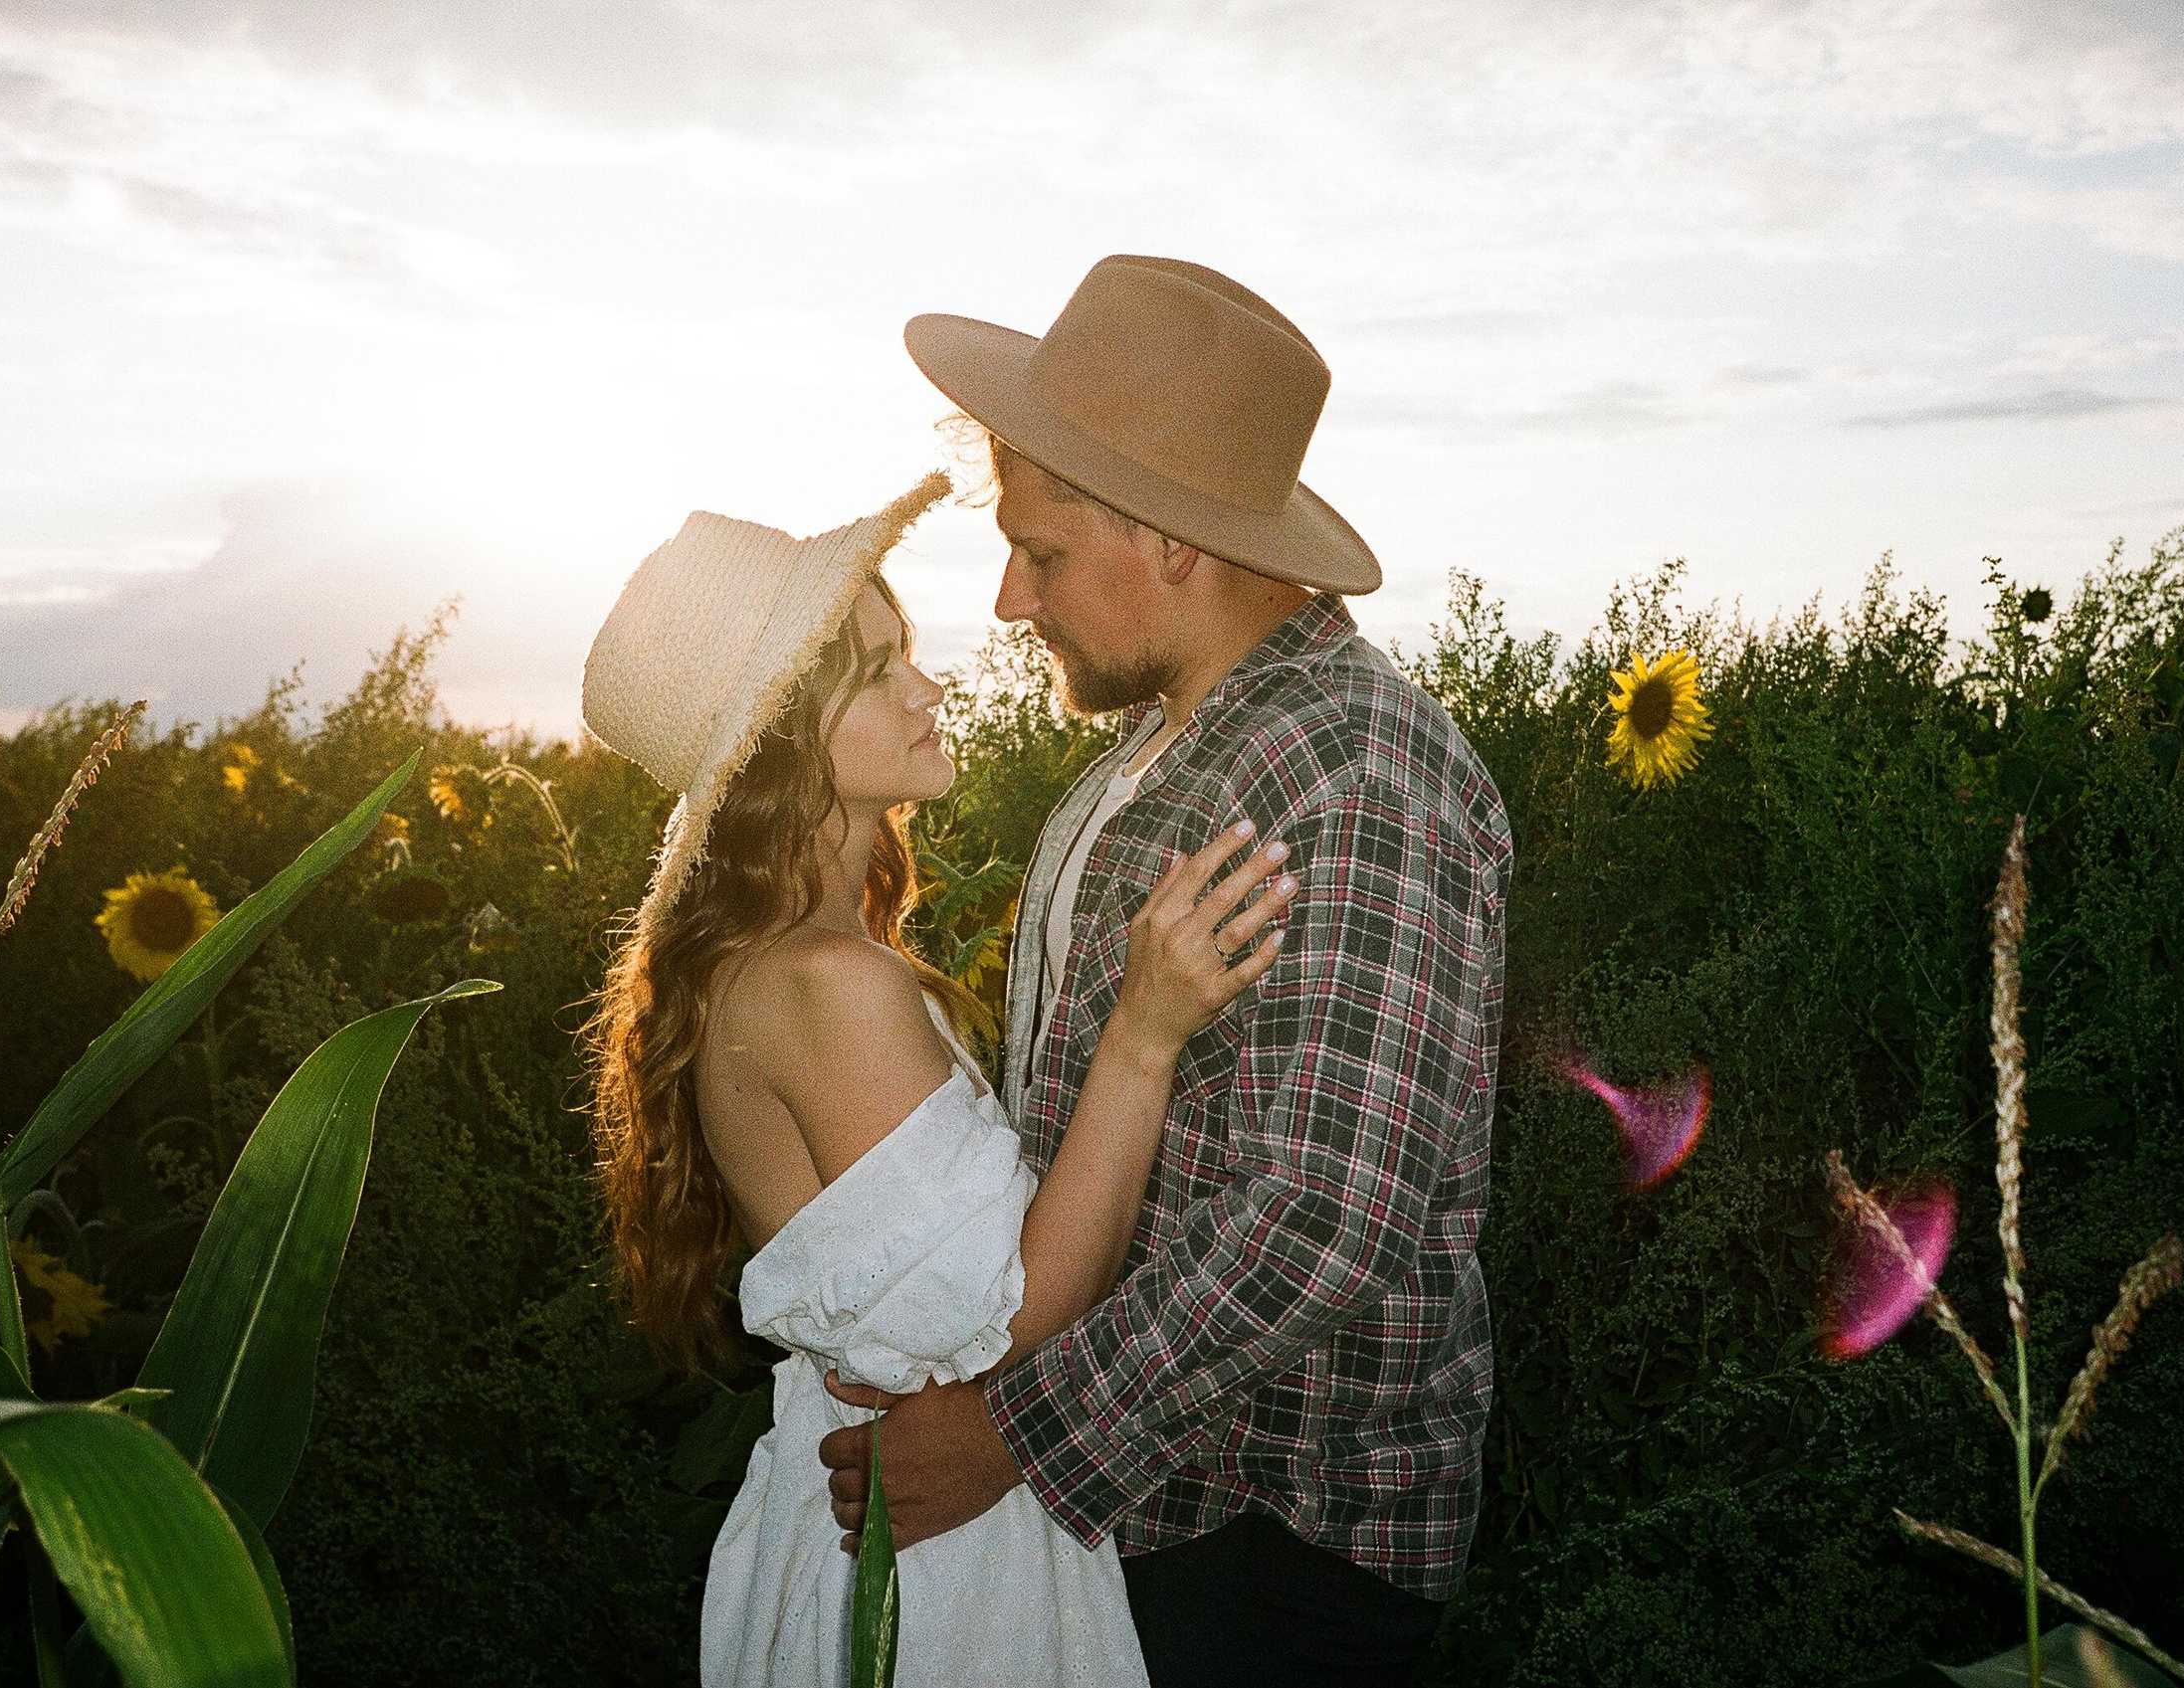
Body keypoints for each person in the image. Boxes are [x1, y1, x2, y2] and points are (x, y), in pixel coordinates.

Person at [820, 256, 1513, 1685]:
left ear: (1174, 545)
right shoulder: (1169, 752)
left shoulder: (1352, 769)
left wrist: (1014, 1432)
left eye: (1045, 552)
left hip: (1276, 1544)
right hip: (1161, 1513)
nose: (1011, 601)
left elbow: (1325, 1217)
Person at [581, 473, 1297, 1687]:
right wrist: (1145, 1031)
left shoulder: (774, 964)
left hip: (885, 1519)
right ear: (774, 745)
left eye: (904, 648)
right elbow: (1014, 1317)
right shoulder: (823, 982)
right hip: (938, 1572)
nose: (927, 684)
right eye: (875, 671)